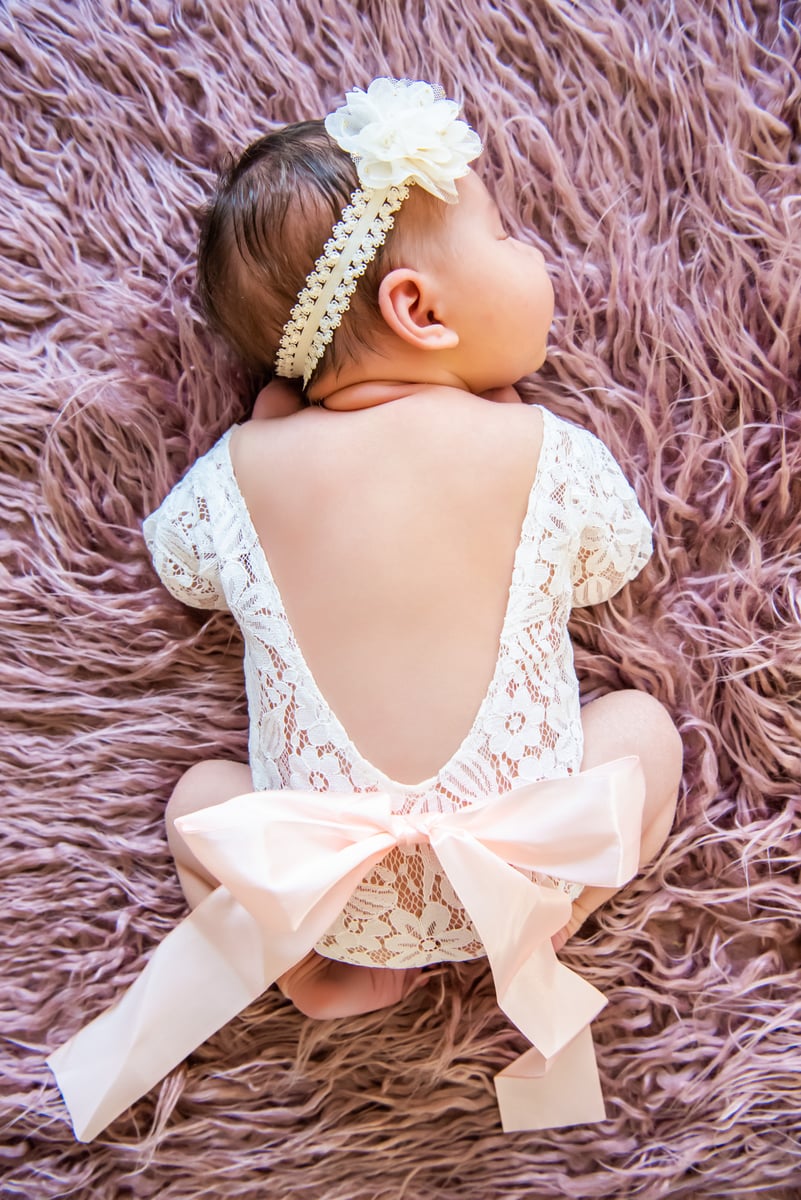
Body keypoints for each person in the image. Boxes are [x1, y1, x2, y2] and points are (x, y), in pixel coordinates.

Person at [48, 79, 682, 1140]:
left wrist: (259, 445)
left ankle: (311, 975)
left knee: (200, 797)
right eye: (507, 233)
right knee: (645, 729)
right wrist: (512, 435)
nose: (536, 254)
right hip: (528, 857)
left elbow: (181, 571)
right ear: (417, 311)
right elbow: (614, 564)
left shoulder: (241, 472)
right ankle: (548, 923)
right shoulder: (538, 448)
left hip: (330, 896)